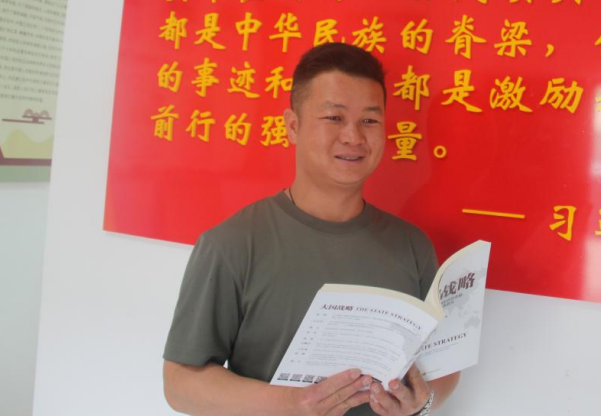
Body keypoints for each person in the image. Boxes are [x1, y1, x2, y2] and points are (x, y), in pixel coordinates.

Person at [163, 43, 460, 415]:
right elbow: (181, 382)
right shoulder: (233, 243)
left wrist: (423, 402)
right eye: (334, 117)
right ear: (293, 126)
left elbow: (445, 366)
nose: (353, 136)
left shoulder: (413, 247)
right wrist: (292, 404)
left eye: (370, 120)